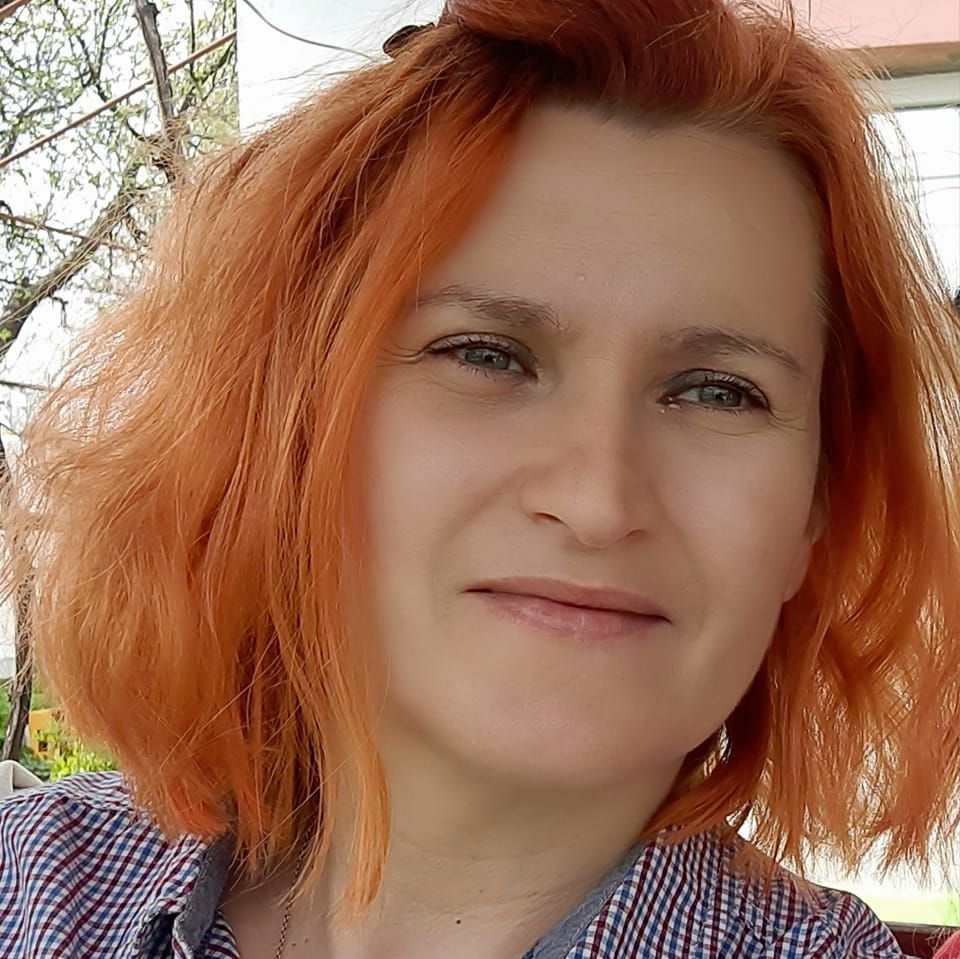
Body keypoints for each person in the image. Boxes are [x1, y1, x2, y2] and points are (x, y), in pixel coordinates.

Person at [2, 0, 960, 956]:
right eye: (487, 355)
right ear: (286, 424)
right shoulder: (34, 884)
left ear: (814, 511)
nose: (597, 502)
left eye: (717, 391)